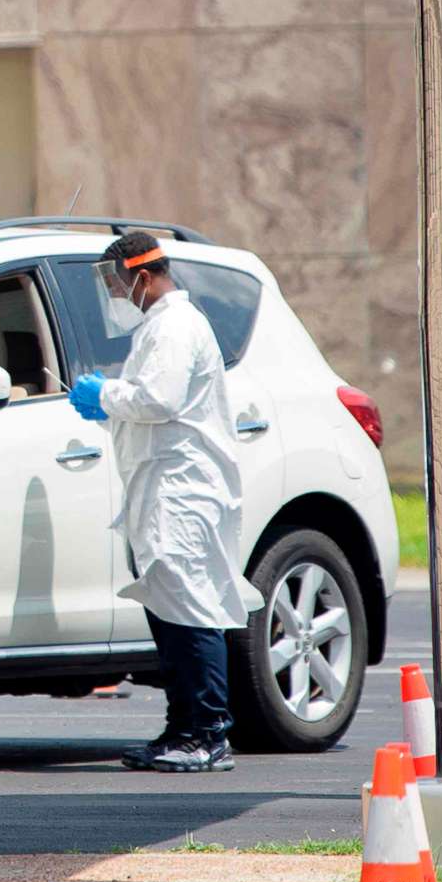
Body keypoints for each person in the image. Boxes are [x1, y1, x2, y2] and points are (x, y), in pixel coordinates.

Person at [68, 230, 262, 773]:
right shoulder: (161, 326)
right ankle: (182, 729)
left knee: (191, 609)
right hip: (162, 489)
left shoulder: (175, 325)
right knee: (170, 612)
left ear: (144, 276)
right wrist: (109, 403)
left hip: (183, 491)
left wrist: (101, 394)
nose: (116, 294)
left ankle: (207, 734)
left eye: (118, 282)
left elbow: (159, 398)